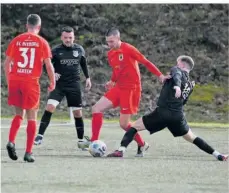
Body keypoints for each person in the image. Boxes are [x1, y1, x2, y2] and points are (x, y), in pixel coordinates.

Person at [107, 55, 228, 161]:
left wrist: (176, 87)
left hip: (163, 112)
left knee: (134, 127)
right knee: (192, 137)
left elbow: (177, 74)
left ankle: (121, 151)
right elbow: (183, 100)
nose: (175, 65)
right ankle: (218, 155)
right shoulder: (190, 84)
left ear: (181, 64)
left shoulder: (176, 70)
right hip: (177, 116)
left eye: (177, 63)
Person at [79, 28, 169, 157]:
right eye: (108, 42)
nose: (110, 44)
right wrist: (112, 81)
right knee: (96, 108)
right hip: (118, 88)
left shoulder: (129, 49)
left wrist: (160, 75)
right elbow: (117, 71)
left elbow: (145, 62)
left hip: (131, 90)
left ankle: (142, 144)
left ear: (118, 38)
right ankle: (94, 141)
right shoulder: (111, 54)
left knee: (124, 124)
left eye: (112, 41)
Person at [3, 14, 56, 162]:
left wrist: (10, 81)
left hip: (15, 80)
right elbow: (49, 65)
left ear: (27, 25)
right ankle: (28, 152)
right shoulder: (41, 42)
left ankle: (11, 141)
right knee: (32, 117)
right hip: (30, 82)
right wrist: (53, 82)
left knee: (19, 114)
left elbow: (6, 64)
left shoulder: (17, 40)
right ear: (39, 27)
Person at [34, 26, 91, 149]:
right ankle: (39, 136)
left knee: (77, 112)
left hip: (74, 84)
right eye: (65, 37)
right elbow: (45, 64)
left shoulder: (79, 49)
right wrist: (52, 73)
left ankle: (81, 140)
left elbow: (83, 63)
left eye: (70, 37)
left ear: (73, 37)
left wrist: (88, 77)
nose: (68, 40)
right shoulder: (55, 51)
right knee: (50, 107)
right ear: (62, 37)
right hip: (59, 85)